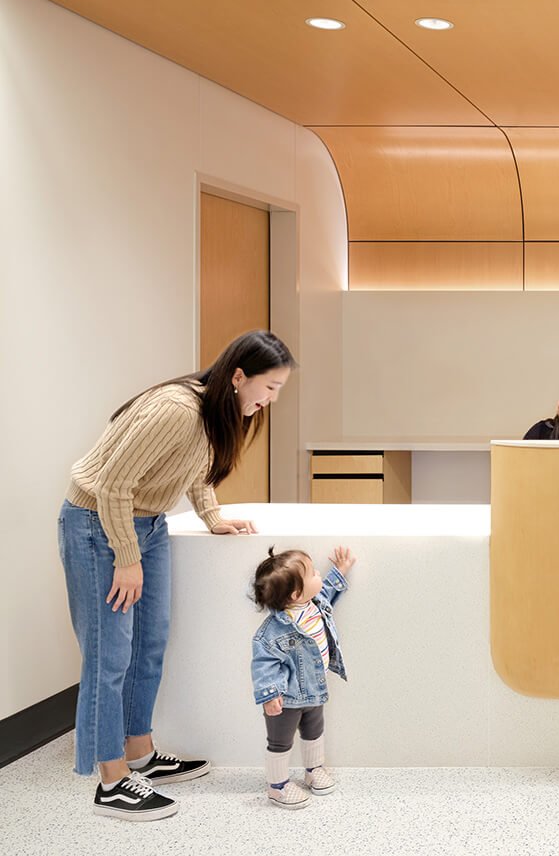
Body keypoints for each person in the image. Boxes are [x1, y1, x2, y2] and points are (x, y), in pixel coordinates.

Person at [58, 329, 295, 821]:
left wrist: (213, 517)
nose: (270, 401)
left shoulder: (210, 414)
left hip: (147, 524)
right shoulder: (177, 409)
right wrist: (125, 555)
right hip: (98, 526)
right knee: (110, 653)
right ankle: (111, 780)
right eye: (269, 389)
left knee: (150, 642)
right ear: (238, 376)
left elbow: (192, 469)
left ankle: (140, 751)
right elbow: (113, 485)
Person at [251, 544, 356, 809]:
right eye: (313, 573)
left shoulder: (314, 604)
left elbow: (328, 591)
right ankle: (278, 787)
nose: (318, 574)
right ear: (296, 593)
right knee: (280, 742)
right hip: (286, 699)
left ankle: (314, 769)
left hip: (314, 691)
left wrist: (340, 570)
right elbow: (264, 664)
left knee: (314, 732)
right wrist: (270, 695)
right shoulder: (271, 633)